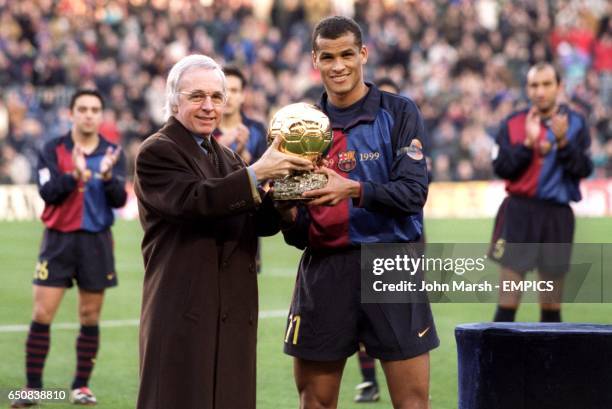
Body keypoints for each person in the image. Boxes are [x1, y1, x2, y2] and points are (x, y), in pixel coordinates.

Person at [133, 54, 312, 409]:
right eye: (196, 96)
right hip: (185, 308)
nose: (208, 106)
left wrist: (285, 199)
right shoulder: (157, 150)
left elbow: (255, 222)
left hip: (230, 309)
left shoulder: (227, 157)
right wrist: (257, 172)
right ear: (173, 100)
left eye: (216, 97)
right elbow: (195, 201)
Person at [280, 16, 439, 409]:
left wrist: (350, 189)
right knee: (314, 401)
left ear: (363, 54)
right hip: (325, 267)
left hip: (391, 263)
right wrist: (283, 209)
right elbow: (297, 232)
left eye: (347, 54)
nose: (338, 66)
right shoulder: (300, 129)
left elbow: (413, 193)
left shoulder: (399, 112)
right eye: (328, 56)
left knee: (412, 402)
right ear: (315, 60)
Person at [11, 90, 127, 408]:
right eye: (83, 109)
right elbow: (48, 192)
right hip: (58, 240)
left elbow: (120, 200)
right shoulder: (53, 149)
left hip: (96, 241)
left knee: (90, 315)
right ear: (71, 114)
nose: (89, 114)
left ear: (101, 115)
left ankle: (81, 387)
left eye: (94, 109)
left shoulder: (113, 152)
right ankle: (33, 388)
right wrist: (74, 174)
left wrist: (105, 177)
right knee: (41, 313)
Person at [489, 62, 593, 323]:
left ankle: (550, 365)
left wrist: (563, 142)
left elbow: (583, 168)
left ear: (559, 87)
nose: (540, 91)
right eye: (534, 85)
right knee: (507, 306)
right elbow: (501, 168)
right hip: (520, 214)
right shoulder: (512, 123)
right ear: (527, 88)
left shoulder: (576, 124)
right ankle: (498, 364)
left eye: (547, 84)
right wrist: (527, 144)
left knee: (551, 308)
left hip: (557, 217)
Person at [217, 66, 269, 273]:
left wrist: (245, 159)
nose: (229, 97)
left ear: (243, 95)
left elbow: (267, 176)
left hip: (246, 219)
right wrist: (222, 145)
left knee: (244, 290)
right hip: (213, 218)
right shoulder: (204, 129)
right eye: (224, 90)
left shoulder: (257, 130)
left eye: (235, 90)